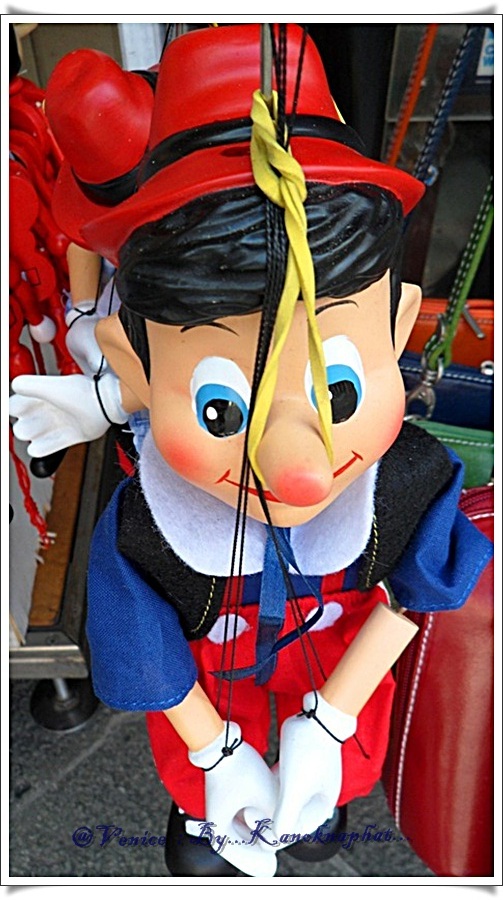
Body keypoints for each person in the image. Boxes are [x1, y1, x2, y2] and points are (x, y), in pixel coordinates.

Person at [9, 25, 492, 877]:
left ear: (394, 328)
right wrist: (216, 752)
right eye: (222, 407)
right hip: (213, 672)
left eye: (338, 392)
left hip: (334, 661)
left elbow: (413, 591)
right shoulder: (149, 524)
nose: (295, 467)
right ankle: (209, 800)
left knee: (339, 755)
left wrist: (329, 723)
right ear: (134, 368)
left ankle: (326, 788)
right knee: (207, 761)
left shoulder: (407, 480)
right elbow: (142, 642)